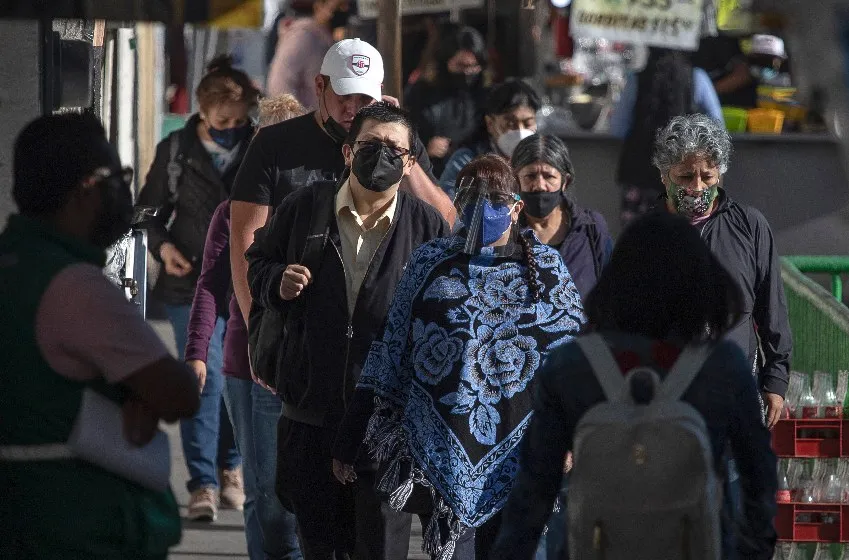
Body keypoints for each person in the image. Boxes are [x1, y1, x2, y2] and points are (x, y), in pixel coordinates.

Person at [332, 154, 586, 559]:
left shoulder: (549, 271)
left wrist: (571, 439)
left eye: (495, 200)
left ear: (516, 207)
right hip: (442, 445)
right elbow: (390, 352)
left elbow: (574, 365)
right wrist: (349, 441)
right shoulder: (430, 262)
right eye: (470, 198)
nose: (482, 209)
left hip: (524, 446)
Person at [490, 211, 778, 560]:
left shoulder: (573, 366)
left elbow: (535, 487)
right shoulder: (722, 368)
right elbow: (758, 477)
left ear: (617, 281)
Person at [247, 103, 452, 559]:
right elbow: (256, 265)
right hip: (310, 415)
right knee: (319, 545)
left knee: (379, 547)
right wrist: (276, 281)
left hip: (386, 426)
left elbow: (443, 320)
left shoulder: (427, 226)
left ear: (411, 162)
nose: (381, 157)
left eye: (394, 150)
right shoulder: (304, 206)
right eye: (369, 145)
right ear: (346, 151)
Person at [0, 113, 200, 558]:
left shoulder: (14, 263)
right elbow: (179, 392)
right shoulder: (74, 286)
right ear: (87, 187)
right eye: (117, 177)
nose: (122, 192)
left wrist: (129, 389)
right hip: (78, 527)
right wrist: (136, 391)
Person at [230, 38, 455, 330]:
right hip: (298, 324)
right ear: (320, 86)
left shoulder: (398, 146)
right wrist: (257, 332)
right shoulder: (275, 145)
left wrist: (396, 140)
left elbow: (445, 220)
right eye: (344, 95)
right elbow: (245, 241)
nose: (353, 108)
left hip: (378, 326)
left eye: (365, 99)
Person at [137, 54, 259, 521]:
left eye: (239, 119)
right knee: (202, 376)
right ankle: (202, 482)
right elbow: (147, 212)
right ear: (203, 114)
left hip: (244, 282)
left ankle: (232, 468)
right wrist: (163, 248)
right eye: (222, 121)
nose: (231, 127)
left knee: (238, 377)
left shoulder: (259, 146)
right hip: (189, 284)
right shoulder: (176, 151)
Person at [185, 94, 306, 560]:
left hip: (313, 363)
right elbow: (211, 288)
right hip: (247, 364)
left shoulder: (328, 202)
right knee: (264, 496)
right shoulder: (232, 212)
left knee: (294, 499)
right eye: (266, 139)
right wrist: (198, 352)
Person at [653, 113, 791, 427]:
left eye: (707, 177)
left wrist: (776, 380)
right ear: (664, 176)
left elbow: (772, 309)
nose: (697, 187)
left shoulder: (750, 226)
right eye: (685, 177)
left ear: (721, 175)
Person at [609, 47, 723, 226]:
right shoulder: (696, 78)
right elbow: (717, 127)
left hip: (640, 177)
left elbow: (617, 128)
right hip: (686, 180)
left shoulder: (636, 80)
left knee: (638, 244)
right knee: (684, 243)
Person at [511, 134, 612, 298]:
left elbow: (610, 291)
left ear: (565, 182)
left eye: (549, 176)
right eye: (530, 176)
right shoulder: (504, 232)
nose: (539, 186)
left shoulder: (591, 228)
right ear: (516, 181)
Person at [404, 23, 488, 177]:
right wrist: (425, 148)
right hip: (434, 176)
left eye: (473, 66)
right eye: (460, 66)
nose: (467, 73)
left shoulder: (484, 98)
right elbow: (406, 135)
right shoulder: (422, 93)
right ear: (446, 61)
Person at [440, 79, 541, 199]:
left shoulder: (544, 160)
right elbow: (447, 206)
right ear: (490, 124)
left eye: (528, 123)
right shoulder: (467, 162)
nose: (520, 131)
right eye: (510, 124)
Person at [266, 0, 350, 108]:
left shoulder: (324, 38)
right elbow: (279, 83)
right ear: (319, 6)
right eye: (340, 6)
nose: (345, 9)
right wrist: (296, 120)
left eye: (347, 5)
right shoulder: (302, 37)